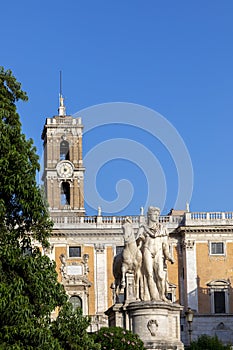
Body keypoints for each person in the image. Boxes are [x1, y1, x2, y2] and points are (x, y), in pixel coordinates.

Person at [137, 206, 174, 301]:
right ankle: (152, 296)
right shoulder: (143, 229)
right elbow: (137, 245)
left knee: (160, 275)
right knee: (149, 274)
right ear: (149, 216)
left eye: (158, 214)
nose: (157, 216)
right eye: (155, 214)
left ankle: (162, 296)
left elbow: (165, 245)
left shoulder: (163, 229)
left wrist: (168, 256)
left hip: (158, 252)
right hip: (147, 250)